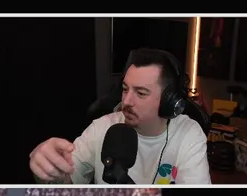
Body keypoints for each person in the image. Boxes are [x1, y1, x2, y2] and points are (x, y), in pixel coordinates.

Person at [29, 48, 210, 186]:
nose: (126, 101)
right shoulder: (102, 127)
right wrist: (48, 172)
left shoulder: (189, 134)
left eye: (141, 93)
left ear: (169, 102)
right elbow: (65, 182)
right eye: (125, 89)